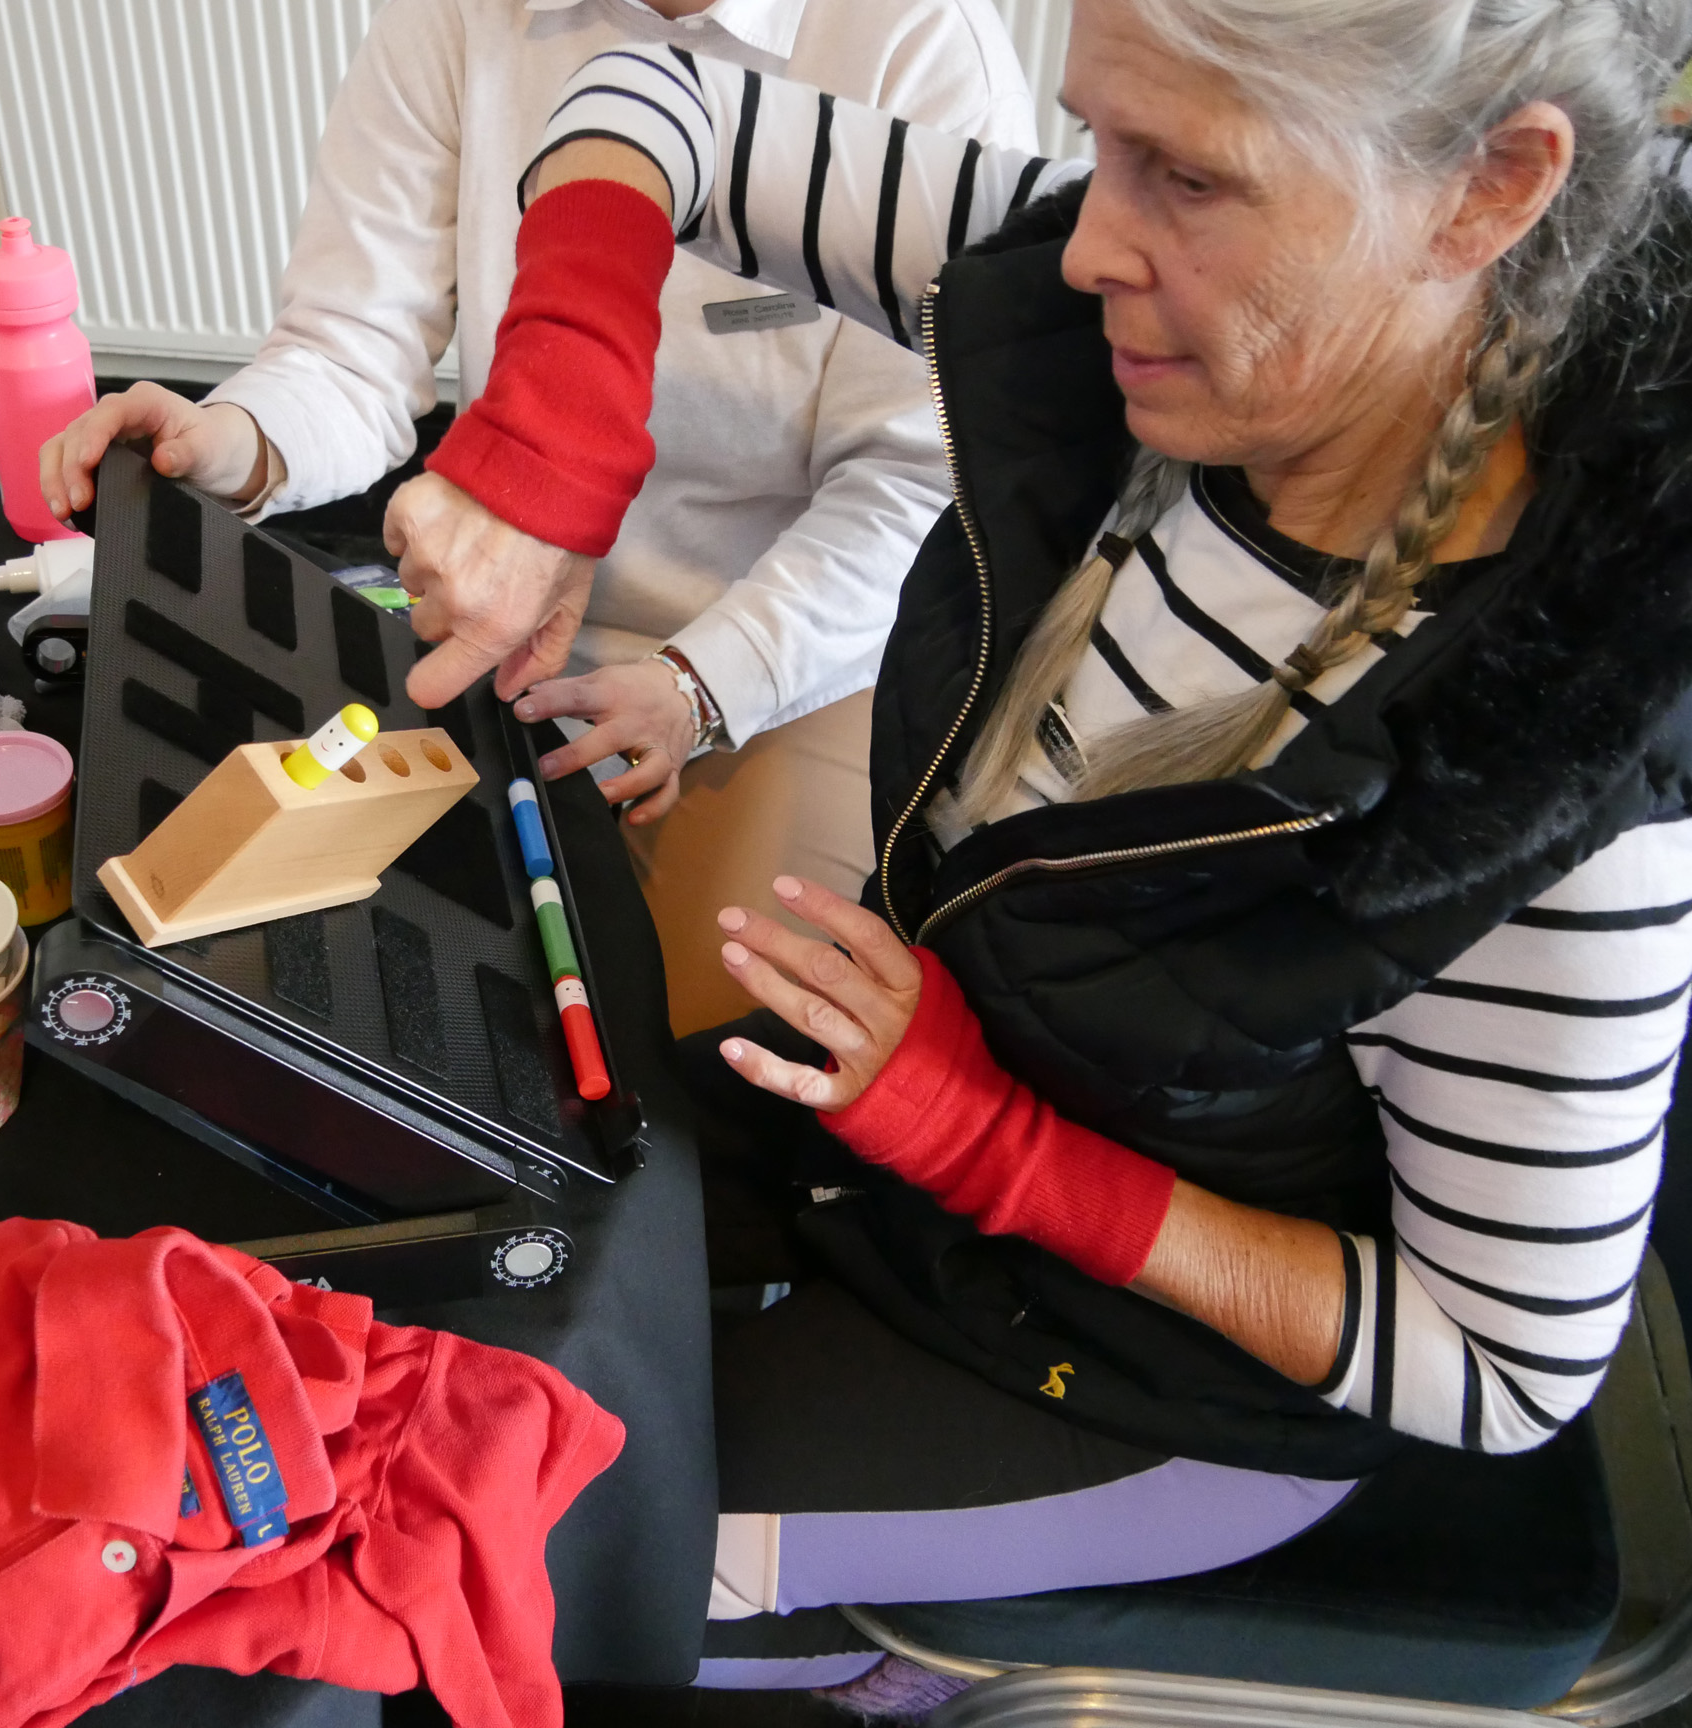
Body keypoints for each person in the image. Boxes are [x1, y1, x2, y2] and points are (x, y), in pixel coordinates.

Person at [390, 0, 1692, 1707]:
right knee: (431, 1267)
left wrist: (991, 1145)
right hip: (914, 1125)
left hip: (1147, 1370)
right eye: (1100, 144)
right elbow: (649, 98)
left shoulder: (1551, 792)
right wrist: (547, 441)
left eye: (1187, 177)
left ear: (1488, 188)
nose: (1084, 246)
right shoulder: (1131, 298)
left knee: (499, 1559)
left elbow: (1496, 1368)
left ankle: (888, 1667)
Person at [38, 0, 1041, 1033]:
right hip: (509, 621)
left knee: (704, 1045)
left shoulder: (920, 46)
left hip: (793, 647)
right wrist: (235, 439)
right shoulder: (476, 26)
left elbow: (915, 482)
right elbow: (356, 344)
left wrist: (702, 684)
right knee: (368, 988)